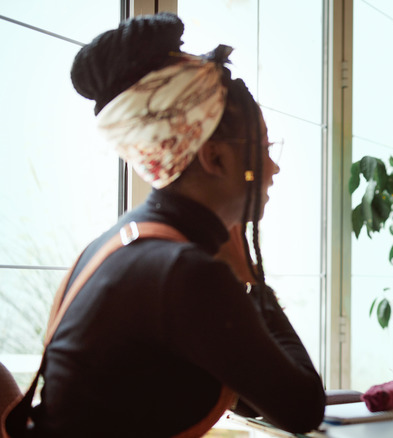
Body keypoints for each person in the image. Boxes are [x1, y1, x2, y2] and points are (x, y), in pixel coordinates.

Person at [6, 12, 325, 437]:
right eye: (263, 147)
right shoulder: (184, 272)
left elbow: (250, 392)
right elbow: (303, 407)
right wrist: (248, 282)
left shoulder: (115, 247)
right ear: (214, 157)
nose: (274, 166)